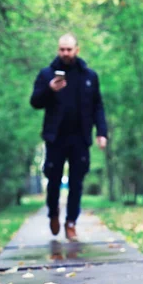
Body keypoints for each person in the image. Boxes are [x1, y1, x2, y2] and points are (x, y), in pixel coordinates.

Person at [30, 34, 107, 241]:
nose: (65, 53)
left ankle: (71, 222)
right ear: (58, 50)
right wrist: (49, 90)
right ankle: (53, 213)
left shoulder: (89, 76)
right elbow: (35, 102)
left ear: (76, 50)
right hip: (55, 138)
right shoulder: (47, 74)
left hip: (80, 138)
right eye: (62, 49)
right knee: (53, 180)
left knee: (77, 182)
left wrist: (101, 132)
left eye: (69, 49)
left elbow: (98, 106)